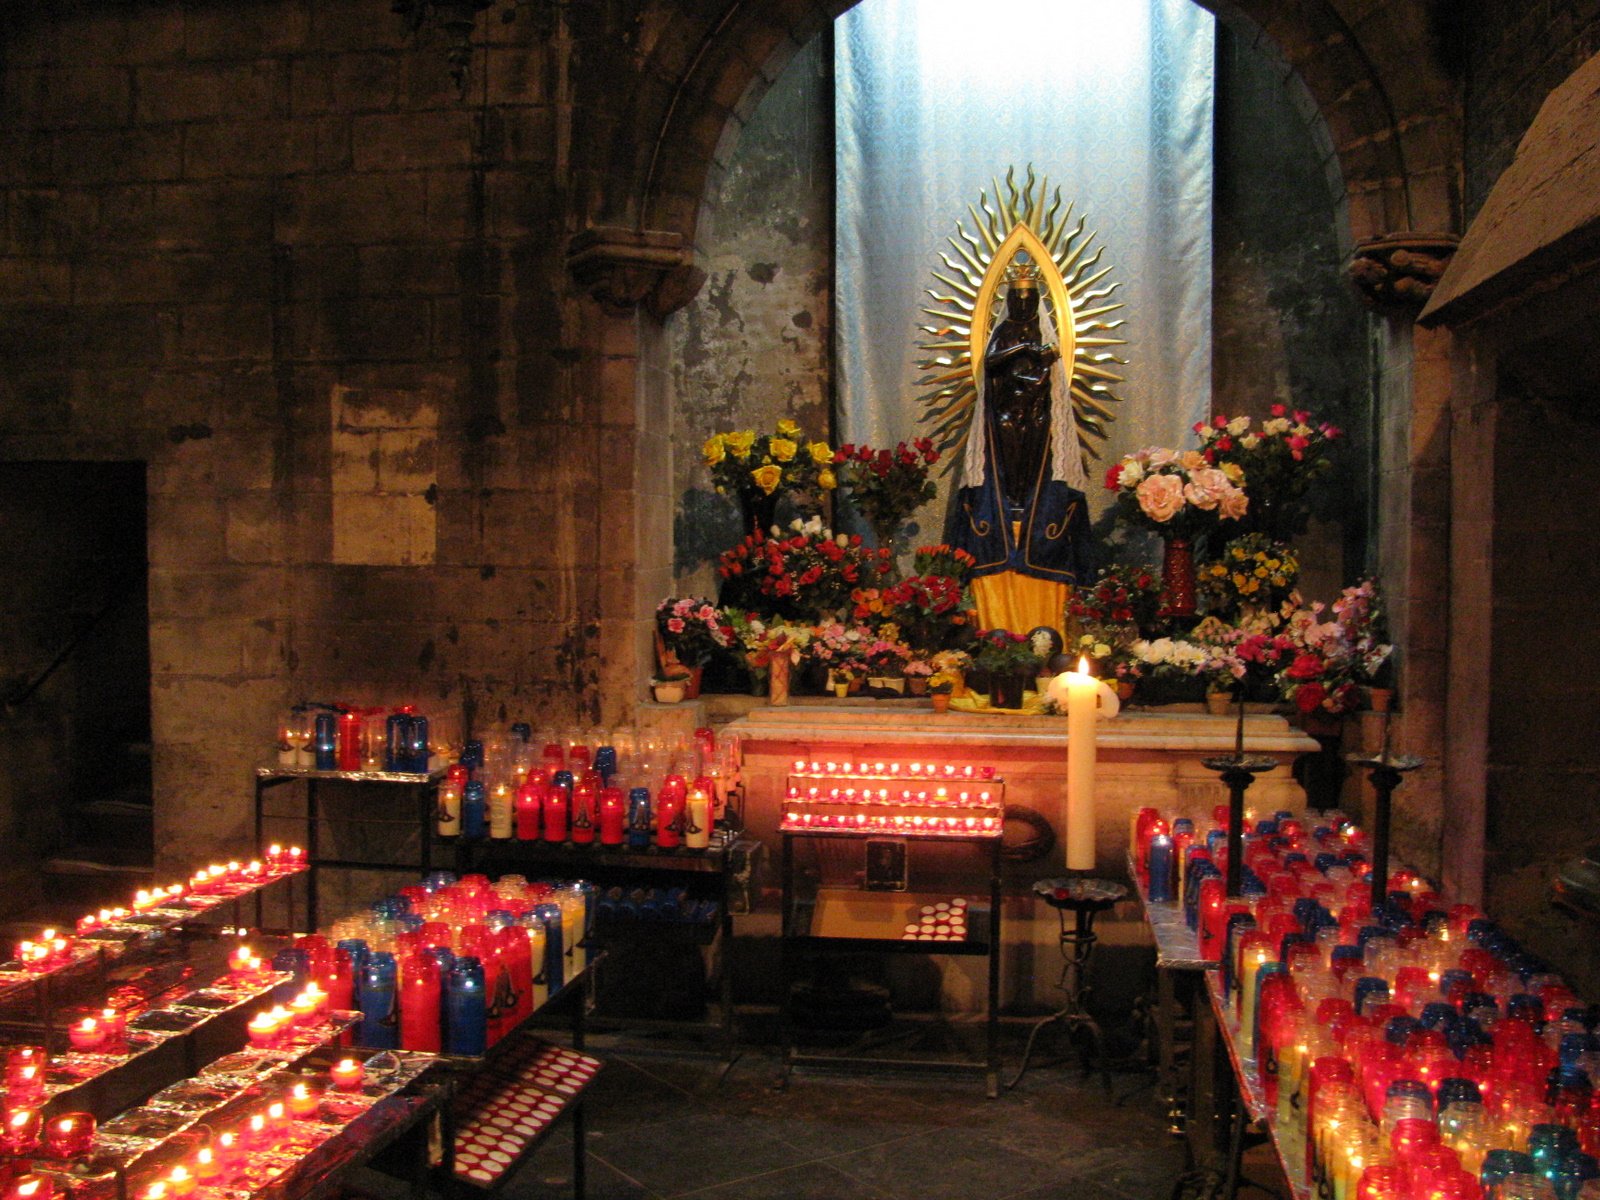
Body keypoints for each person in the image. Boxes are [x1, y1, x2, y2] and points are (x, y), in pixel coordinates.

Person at [948, 260, 1094, 639]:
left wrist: (1041, 358)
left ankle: (1024, 499)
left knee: (1034, 460)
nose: (1024, 304)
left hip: (1038, 416)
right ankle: (1012, 498)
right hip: (1004, 415)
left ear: (1036, 302)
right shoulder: (1008, 331)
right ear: (1010, 301)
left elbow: (1049, 377)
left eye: (1029, 298)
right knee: (1008, 458)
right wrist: (1026, 349)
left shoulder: (1041, 332)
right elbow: (992, 361)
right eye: (1018, 298)